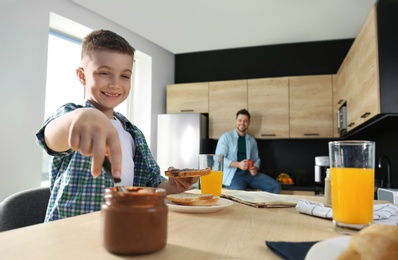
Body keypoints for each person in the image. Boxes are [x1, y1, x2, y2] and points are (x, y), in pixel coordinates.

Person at [36, 29, 197, 222]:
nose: (115, 84)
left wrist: (172, 187)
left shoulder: (132, 132)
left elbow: (151, 183)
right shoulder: (73, 115)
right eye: (104, 73)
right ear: (82, 76)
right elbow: (50, 138)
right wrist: (79, 117)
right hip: (69, 236)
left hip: (122, 228)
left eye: (125, 76)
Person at [215, 109, 281, 193]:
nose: (242, 123)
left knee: (275, 187)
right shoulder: (226, 137)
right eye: (240, 120)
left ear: (249, 123)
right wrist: (238, 165)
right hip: (234, 176)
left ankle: (260, 205)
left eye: (245, 121)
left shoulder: (252, 140)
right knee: (238, 197)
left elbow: (256, 159)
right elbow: (219, 159)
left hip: (250, 174)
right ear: (236, 121)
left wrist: (255, 169)